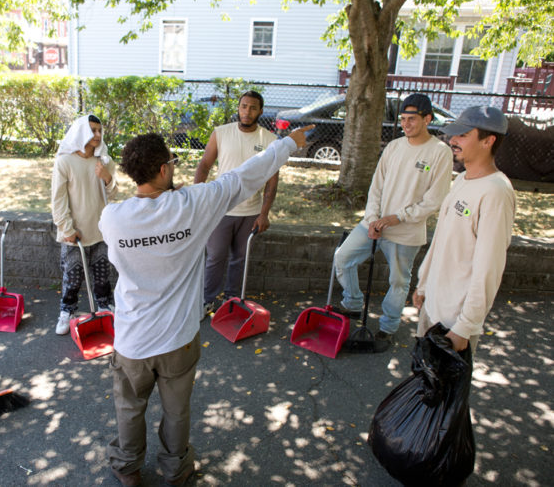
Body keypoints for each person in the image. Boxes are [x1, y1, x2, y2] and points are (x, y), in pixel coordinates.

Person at [99, 125, 313, 487]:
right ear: (165, 170)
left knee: (129, 408)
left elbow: (147, 218)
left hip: (132, 341)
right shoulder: (195, 204)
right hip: (178, 340)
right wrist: (288, 143)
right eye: (171, 161)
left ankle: (127, 467)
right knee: (177, 411)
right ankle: (176, 470)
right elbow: (247, 175)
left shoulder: (112, 218)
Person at [333, 93, 453, 345]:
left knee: (398, 281)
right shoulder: (394, 147)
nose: (405, 124)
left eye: (412, 119)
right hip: (374, 225)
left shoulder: (439, 152)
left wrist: (396, 218)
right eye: (403, 119)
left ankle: (387, 328)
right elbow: (377, 186)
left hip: (406, 232)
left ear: (428, 119)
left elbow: (434, 199)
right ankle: (353, 303)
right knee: (343, 257)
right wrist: (374, 218)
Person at [414, 106, 516, 353]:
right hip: (433, 307)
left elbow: (488, 268)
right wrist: (424, 284)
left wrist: (464, 327)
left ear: (488, 141)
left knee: (444, 391)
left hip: (454, 320)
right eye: (453, 134)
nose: (453, 140)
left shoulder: (495, 192)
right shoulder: (461, 179)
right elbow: (442, 240)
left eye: (463, 135)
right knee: (423, 387)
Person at [194, 90, 279, 317]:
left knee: (240, 259)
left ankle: (232, 301)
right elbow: (204, 165)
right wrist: (198, 196)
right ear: (238, 108)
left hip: (251, 211)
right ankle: (206, 300)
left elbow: (272, 180)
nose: (247, 111)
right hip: (221, 208)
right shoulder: (221, 133)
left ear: (260, 111)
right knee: (215, 257)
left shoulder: (270, 141)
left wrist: (264, 213)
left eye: (252, 107)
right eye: (243, 106)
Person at [51, 115, 118, 335]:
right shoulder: (65, 161)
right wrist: (67, 229)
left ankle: (104, 307)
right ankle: (67, 311)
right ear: (81, 132)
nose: (97, 135)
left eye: (99, 130)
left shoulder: (104, 161)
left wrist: (107, 177)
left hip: (100, 230)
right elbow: (58, 199)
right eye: (92, 130)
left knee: (102, 275)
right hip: (74, 232)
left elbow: (113, 194)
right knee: (73, 276)